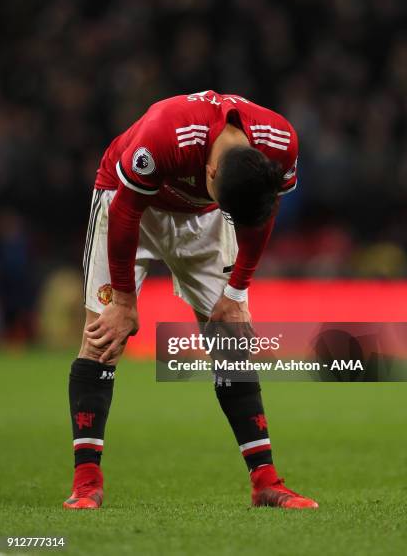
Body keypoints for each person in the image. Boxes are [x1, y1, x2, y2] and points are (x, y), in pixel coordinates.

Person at [63, 90, 318, 510]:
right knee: (103, 338)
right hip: (131, 203)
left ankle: (266, 482)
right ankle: (86, 481)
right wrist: (124, 301)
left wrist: (236, 294)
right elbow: (127, 210)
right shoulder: (165, 132)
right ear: (211, 171)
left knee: (232, 344)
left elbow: (260, 214)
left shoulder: (280, 144)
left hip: (205, 218)